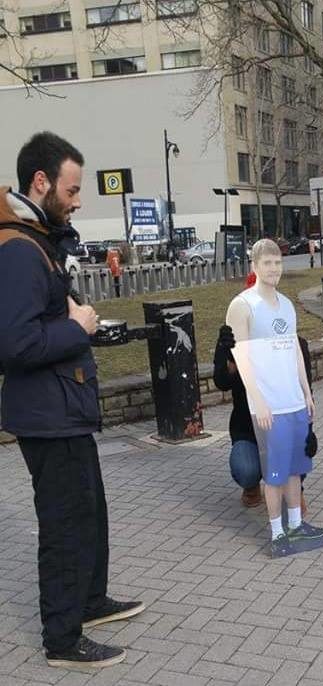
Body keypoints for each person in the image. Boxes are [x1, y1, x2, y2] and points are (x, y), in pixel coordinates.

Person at [0, 132, 144, 668]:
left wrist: (81, 322)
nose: (79, 201)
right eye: (73, 189)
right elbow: (14, 344)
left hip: (64, 406)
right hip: (46, 414)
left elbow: (46, 319)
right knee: (63, 525)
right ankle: (62, 639)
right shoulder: (16, 250)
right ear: (41, 182)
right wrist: (78, 327)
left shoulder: (38, 238)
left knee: (89, 511)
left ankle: (90, 601)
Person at [225, 238, 323, 557]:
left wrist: (306, 393)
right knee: (275, 471)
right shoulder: (242, 305)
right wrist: (258, 400)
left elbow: (295, 349)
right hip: (268, 404)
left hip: (293, 401)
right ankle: (277, 532)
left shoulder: (285, 304)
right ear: (254, 267)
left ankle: (297, 526)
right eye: (267, 263)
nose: (274, 269)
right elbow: (241, 357)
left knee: (295, 468)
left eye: (278, 263)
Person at [212, 322, 317, 510]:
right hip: (248, 430)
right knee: (245, 469)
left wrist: (307, 431)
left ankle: (295, 489)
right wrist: (231, 358)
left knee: (301, 450)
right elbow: (222, 382)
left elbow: (304, 393)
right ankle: (251, 485)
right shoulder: (233, 342)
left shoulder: (295, 344)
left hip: (284, 428)